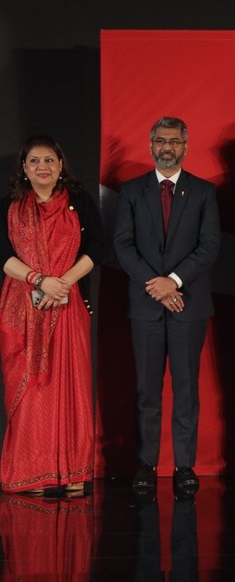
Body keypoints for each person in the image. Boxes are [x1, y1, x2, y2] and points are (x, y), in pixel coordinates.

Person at [114, 116, 220, 494]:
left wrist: (172, 281)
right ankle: (147, 464)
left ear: (185, 146)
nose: (167, 147)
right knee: (147, 390)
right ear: (151, 145)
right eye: (161, 140)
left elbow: (209, 245)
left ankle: (184, 466)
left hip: (187, 304)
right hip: (146, 305)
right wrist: (156, 286)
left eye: (174, 141)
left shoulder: (203, 192)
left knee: (186, 388)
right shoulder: (131, 191)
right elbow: (123, 244)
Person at [0, 135, 102, 495]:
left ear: (60, 166)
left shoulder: (79, 201)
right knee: (31, 389)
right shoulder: (9, 206)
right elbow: (2, 255)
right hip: (23, 306)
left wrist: (63, 284)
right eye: (34, 161)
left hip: (68, 303)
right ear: (24, 168)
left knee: (72, 387)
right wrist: (40, 281)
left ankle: (72, 472)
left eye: (49, 160)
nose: (42, 167)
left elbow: (96, 249)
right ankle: (34, 472)